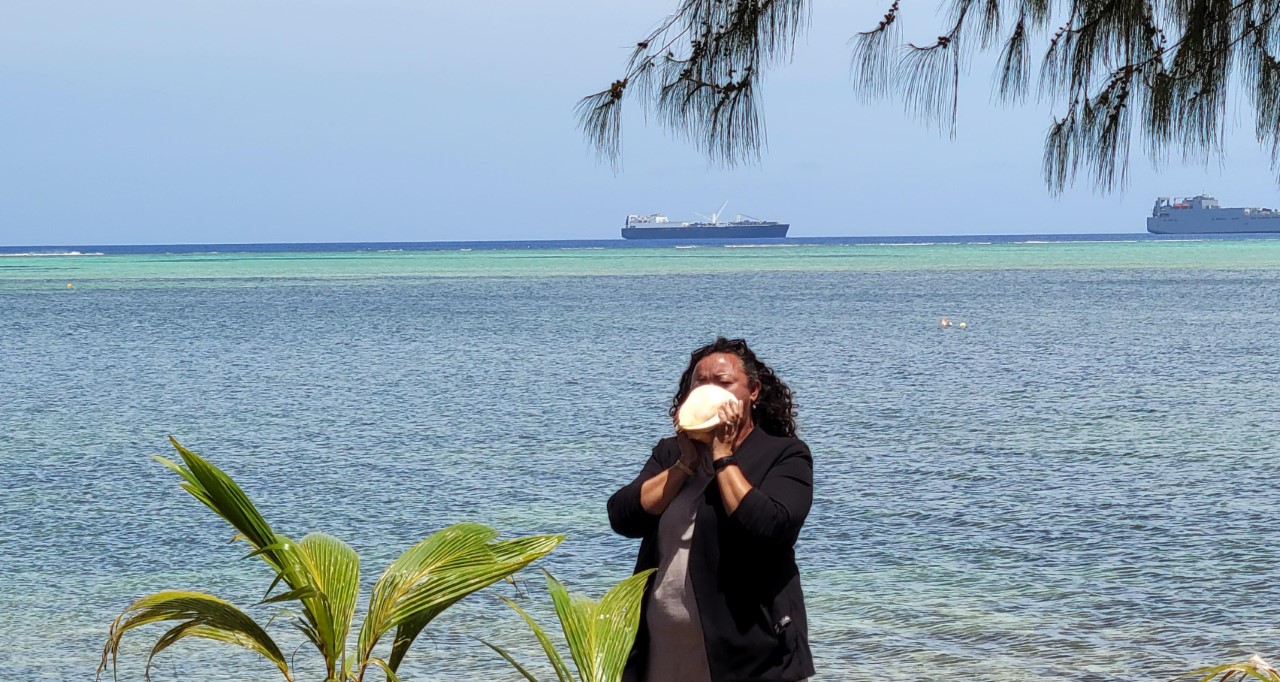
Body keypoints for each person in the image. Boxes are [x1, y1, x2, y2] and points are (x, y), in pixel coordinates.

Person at [608, 337, 815, 682]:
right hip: (663, 652)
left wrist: (723, 456)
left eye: (723, 382)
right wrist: (684, 466)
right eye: (700, 383)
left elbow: (772, 527)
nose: (709, 391)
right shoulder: (669, 453)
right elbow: (623, 515)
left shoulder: (785, 454)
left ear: (753, 391)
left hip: (750, 656)